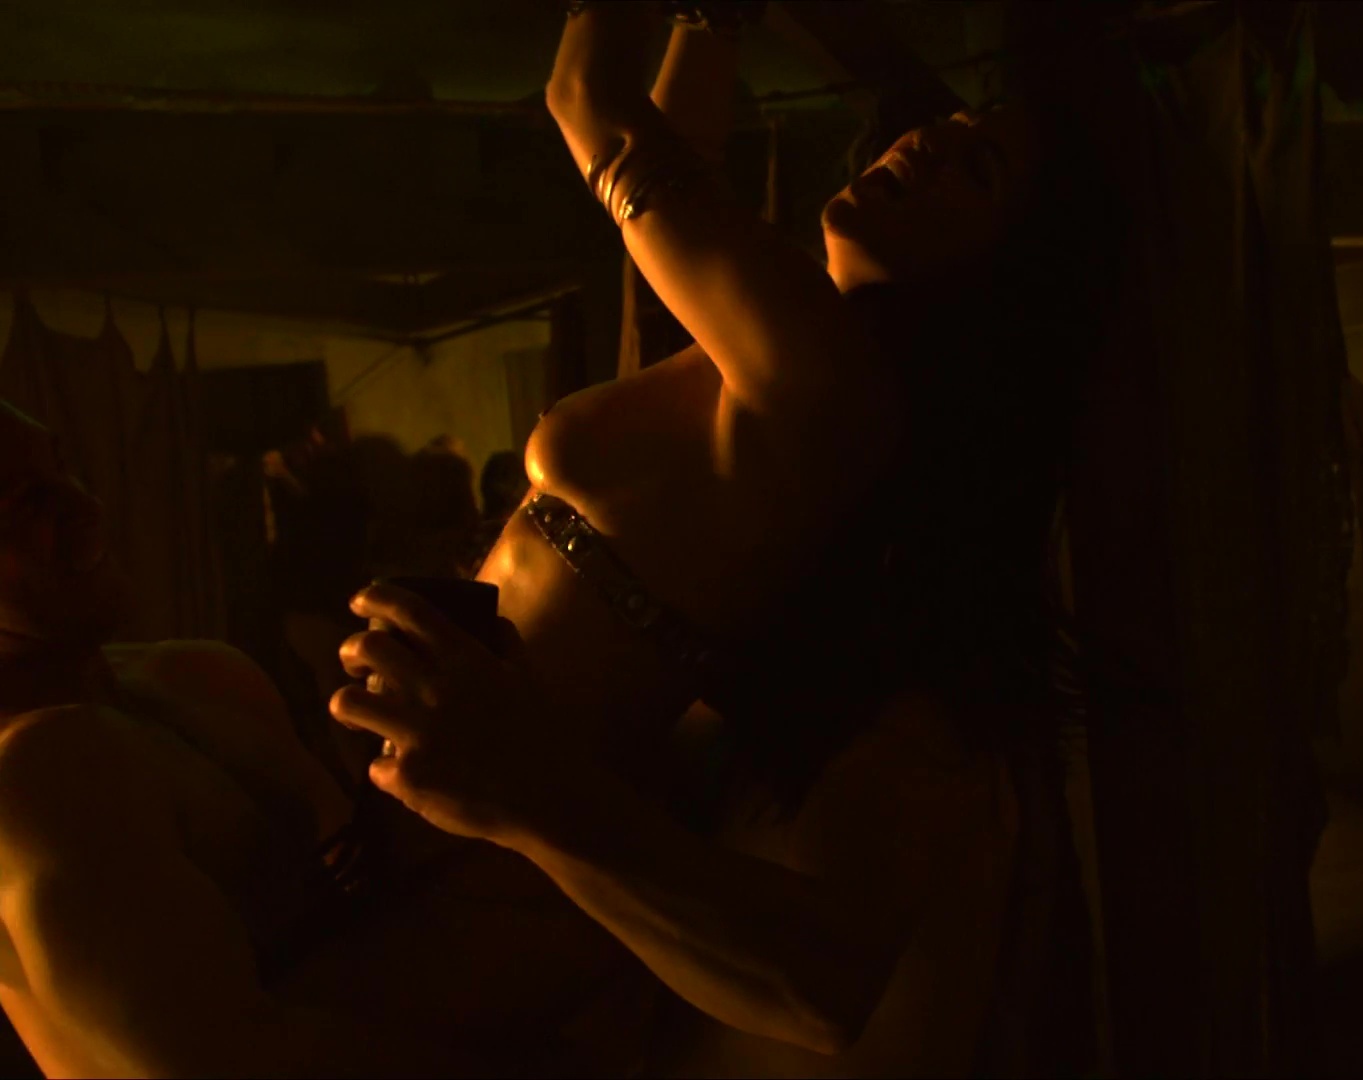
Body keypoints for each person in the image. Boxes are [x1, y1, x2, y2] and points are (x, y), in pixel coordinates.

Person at [331, 3, 1103, 1075]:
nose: (925, 140)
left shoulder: (827, 381)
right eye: (947, 123)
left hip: (481, 843)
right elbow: (673, 147)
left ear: (993, 274)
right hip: (447, 803)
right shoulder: (783, 359)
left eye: (975, 168)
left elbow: (590, 103)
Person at [0, 400, 651, 1077]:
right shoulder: (37, 776)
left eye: (62, 471)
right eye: (23, 504)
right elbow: (229, 1061)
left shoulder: (195, 675)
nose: (84, 507)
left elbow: (380, 912)